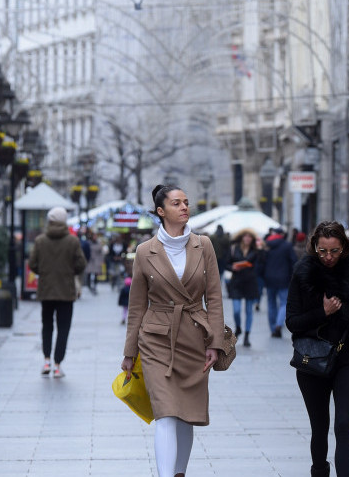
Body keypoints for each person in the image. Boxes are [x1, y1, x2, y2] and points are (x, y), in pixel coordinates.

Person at [121, 184, 226, 477]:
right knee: (166, 413)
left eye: (186, 202)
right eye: (176, 203)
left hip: (194, 337)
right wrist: (130, 352)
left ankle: (179, 473)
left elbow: (214, 297)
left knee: (186, 415)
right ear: (160, 211)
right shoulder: (145, 251)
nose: (184, 207)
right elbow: (137, 305)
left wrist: (215, 342)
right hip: (156, 340)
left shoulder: (203, 245)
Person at [286, 220, 349, 477]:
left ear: (346, 248)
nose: (328, 257)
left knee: (343, 425)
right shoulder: (303, 273)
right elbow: (292, 322)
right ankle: (319, 471)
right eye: (322, 251)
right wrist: (323, 312)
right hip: (312, 361)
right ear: (314, 247)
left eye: (334, 251)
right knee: (319, 426)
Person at [29, 206, 87, 379]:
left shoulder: (40, 241)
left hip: (46, 291)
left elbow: (32, 264)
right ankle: (57, 364)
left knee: (47, 326)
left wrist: (44, 272)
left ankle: (46, 360)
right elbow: (81, 264)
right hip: (66, 292)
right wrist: (69, 272)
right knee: (63, 328)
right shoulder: (72, 241)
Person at [258, 227, 297, 338]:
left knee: (271, 303)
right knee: (284, 303)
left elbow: (262, 262)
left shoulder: (267, 246)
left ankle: (272, 327)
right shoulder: (287, 246)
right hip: (284, 279)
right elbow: (293, 262)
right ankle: (279, 324)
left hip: (269, 278)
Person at [227, 228, 261, 347]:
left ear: (252, 239)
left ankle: (247, 335)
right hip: (236, 282)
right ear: (242, 237)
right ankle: (238, 327)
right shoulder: (233, 248)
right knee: (236, 310)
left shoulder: (256, 250)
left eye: (249, 237)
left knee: (249, 311)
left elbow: (262, 263)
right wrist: (232, 268)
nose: (247, 238)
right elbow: (226, 264)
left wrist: (261, 249)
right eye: (245, 236)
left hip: (250, 283)